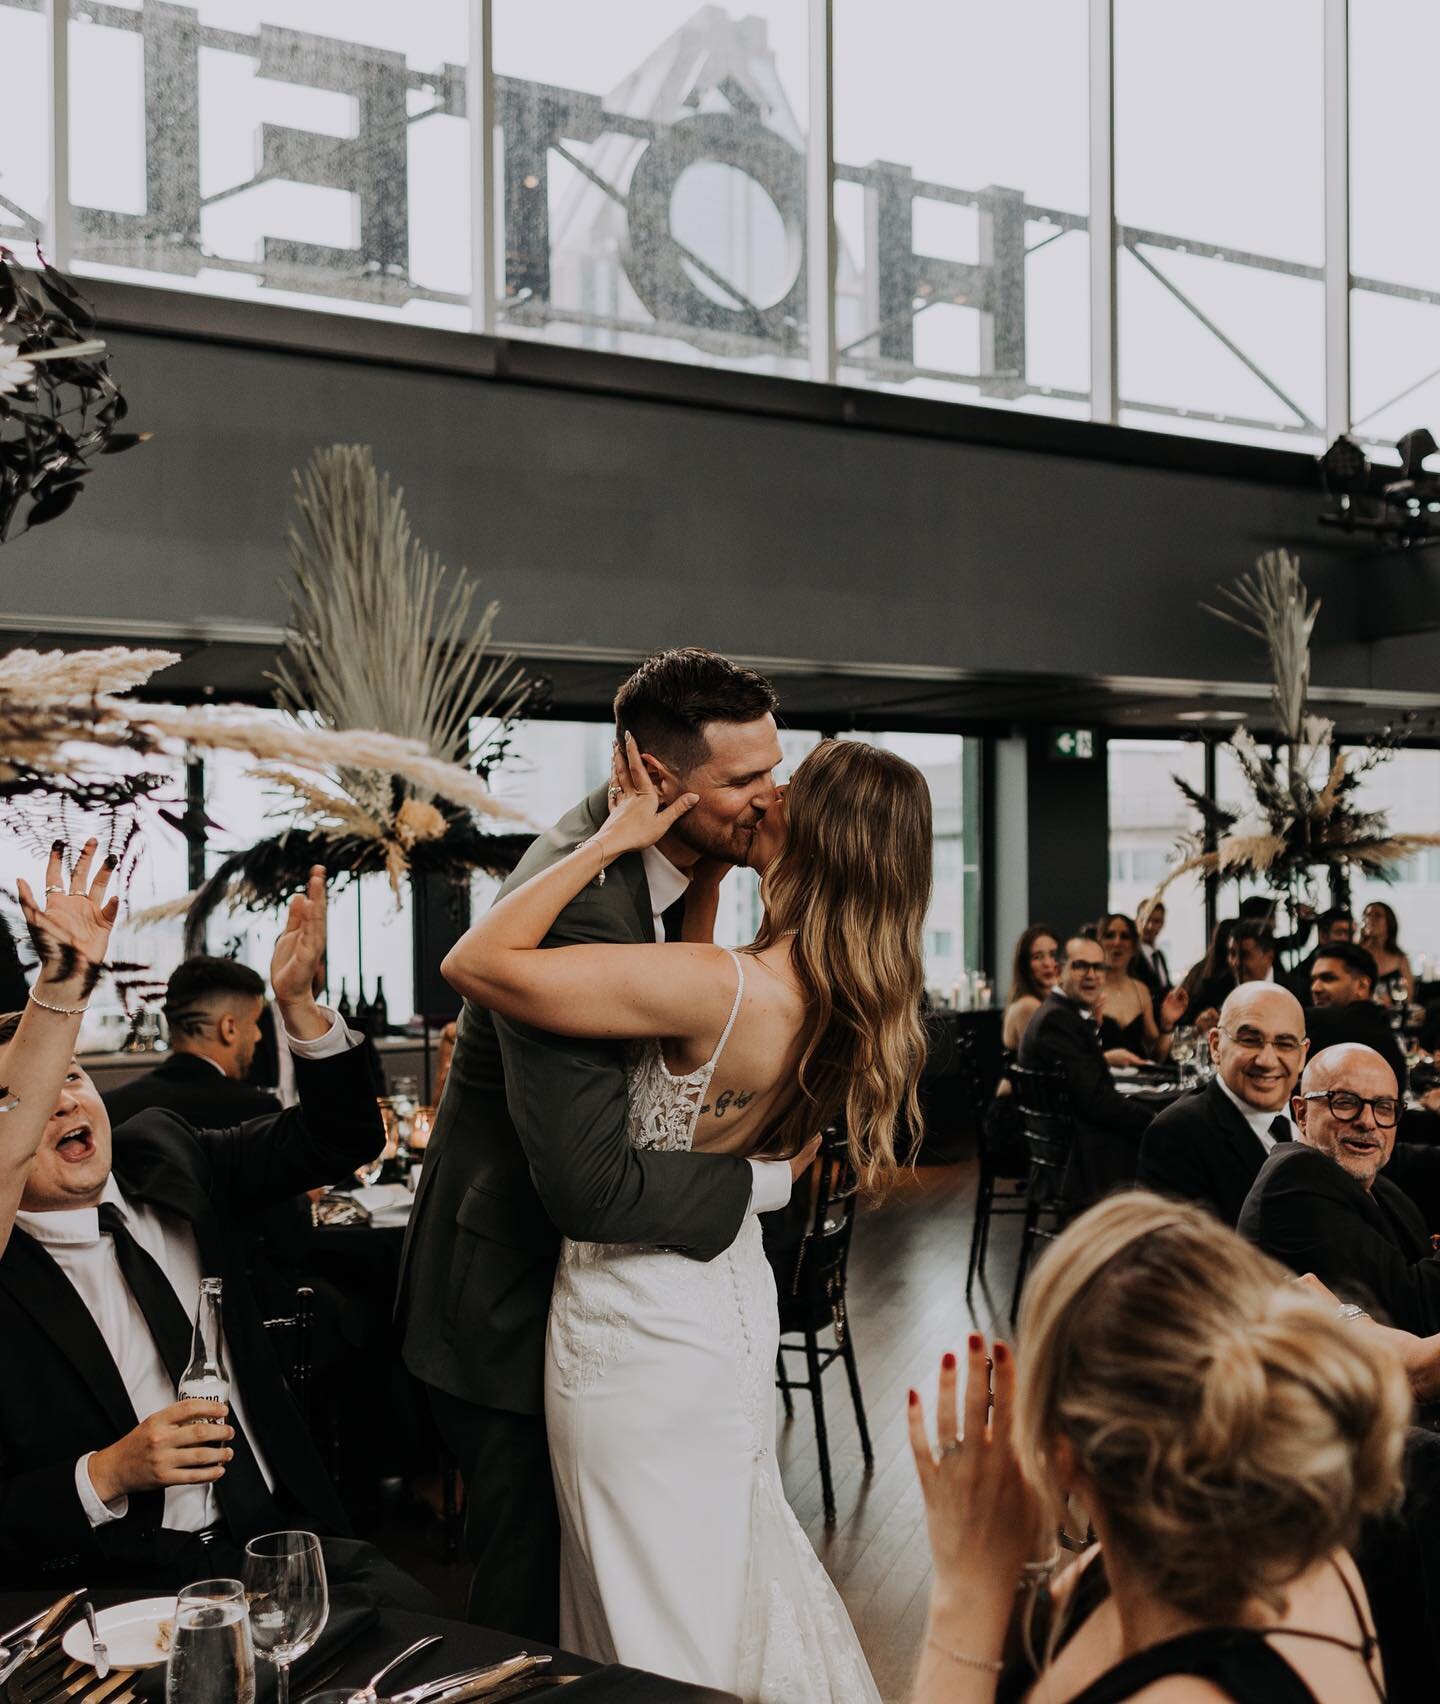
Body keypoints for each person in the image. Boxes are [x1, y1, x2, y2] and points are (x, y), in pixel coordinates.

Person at [441, 732, 930, 1701]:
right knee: (714, 1563)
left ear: (818, 834)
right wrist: (705, 876)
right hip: (724, 1297)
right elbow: (698, 1013)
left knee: (645, 1604)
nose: (764, 797)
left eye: (784, 788)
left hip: (636, 1326)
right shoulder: (842, 993)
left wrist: (609, 842)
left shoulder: (721, 990)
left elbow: (477, 960)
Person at [396, 648, 802, 1645]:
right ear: (658, 780)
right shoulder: (582, 899)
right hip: (505, 1295)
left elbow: (668, 1029)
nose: (770, 800)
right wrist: (764, 1183)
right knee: (527, 1594)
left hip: (573, 1279)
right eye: (744, 783)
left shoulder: (674, 858)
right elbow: (588, 1184)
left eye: (773, 770)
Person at [0, 859, 428, 1608]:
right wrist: (108, 1472)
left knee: (420, 1623)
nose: (66, 1105)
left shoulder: (164, 1154)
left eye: (74, 1078)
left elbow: (340, 1137)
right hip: (120, 1584)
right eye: (36, 1096)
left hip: (273, 1537)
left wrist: (298, 1005)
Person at [907, 1193, 1408, 1704]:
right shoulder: (1263, 1554)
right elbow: (1025, 1670)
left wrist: (963, 1589)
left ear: (1060, 1454)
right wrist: (1018, 1566)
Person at [1238, 1042, 1440, 1335]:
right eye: (1344, 1102)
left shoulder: (1371, 1181)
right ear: (1302, 1113)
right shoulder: (1294, 1180)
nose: (1368, 1122)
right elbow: (1419, 1312)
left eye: (1384, 1107)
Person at [1137, 983, 1307, 1225]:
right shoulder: (1176, 1134)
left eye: (1285, 1044)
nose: (1267, 1060)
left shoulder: (1320, 1115)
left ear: (1302, 1055)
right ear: (1216, 1046)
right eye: (1250, 1040)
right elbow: (1173, 1254)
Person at [1017, 935, 1154, 1207]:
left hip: (1074, 1145)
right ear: (1060, 970)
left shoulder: (1061, 1013)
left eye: (1099, 967)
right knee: (1175, 1141)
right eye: (1081, 966)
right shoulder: (1057, 1019)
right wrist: (1155, 1120)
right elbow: (1096, 1102)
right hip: (1078, 1158)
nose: (1092, 975)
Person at [100, 956, 279, 1127]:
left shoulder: (110, 1107)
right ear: (228, 1029)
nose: (258, 1035)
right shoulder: (256, 1112)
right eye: (254, 1023)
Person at [1306, 940, 1409, 1091]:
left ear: (1362, 986)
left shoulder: (1318, 1023)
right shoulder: (1386, 1033)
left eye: (1328, 978)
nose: (1315, 988)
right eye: (1313, 980)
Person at [1095, 912, 1185, 1061]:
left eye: (1124, 936)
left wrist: (1167, 1024)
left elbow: (1157, 1057)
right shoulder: (1090, 988)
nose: (1117, 942)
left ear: (1134, 946)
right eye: (1110, 935)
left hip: (1140, 1081)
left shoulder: (1141, 990)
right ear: (1099, 943)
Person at [1001, 925, 1060, 1053]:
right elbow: (1053, 1056)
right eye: (1037, 957)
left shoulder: (1045, 1000)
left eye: (1053, 955)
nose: (1048, 963)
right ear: (1024, 965)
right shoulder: (1028, 1005)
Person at [1292, 904, 1355, 1000]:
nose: (1347, 939)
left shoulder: (1356, 964)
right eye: (1340, 933)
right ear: (1323, 936)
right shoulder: (1302, 974)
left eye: (1351, 934)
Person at [1361, 900, 1414, 1008]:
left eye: (1377, 915)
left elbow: (1408, 998)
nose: (1370, 919)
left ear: (1389, 922)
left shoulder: (1400, 959)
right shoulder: (1357, 954)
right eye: (1367, 915)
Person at [1130, 897, 1172, 1005]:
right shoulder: (1131, 956)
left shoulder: (1159, 956)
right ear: (1136, 920)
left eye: (1156, 921)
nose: (1150, 926)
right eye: (1146, 919)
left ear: (1162, 924)